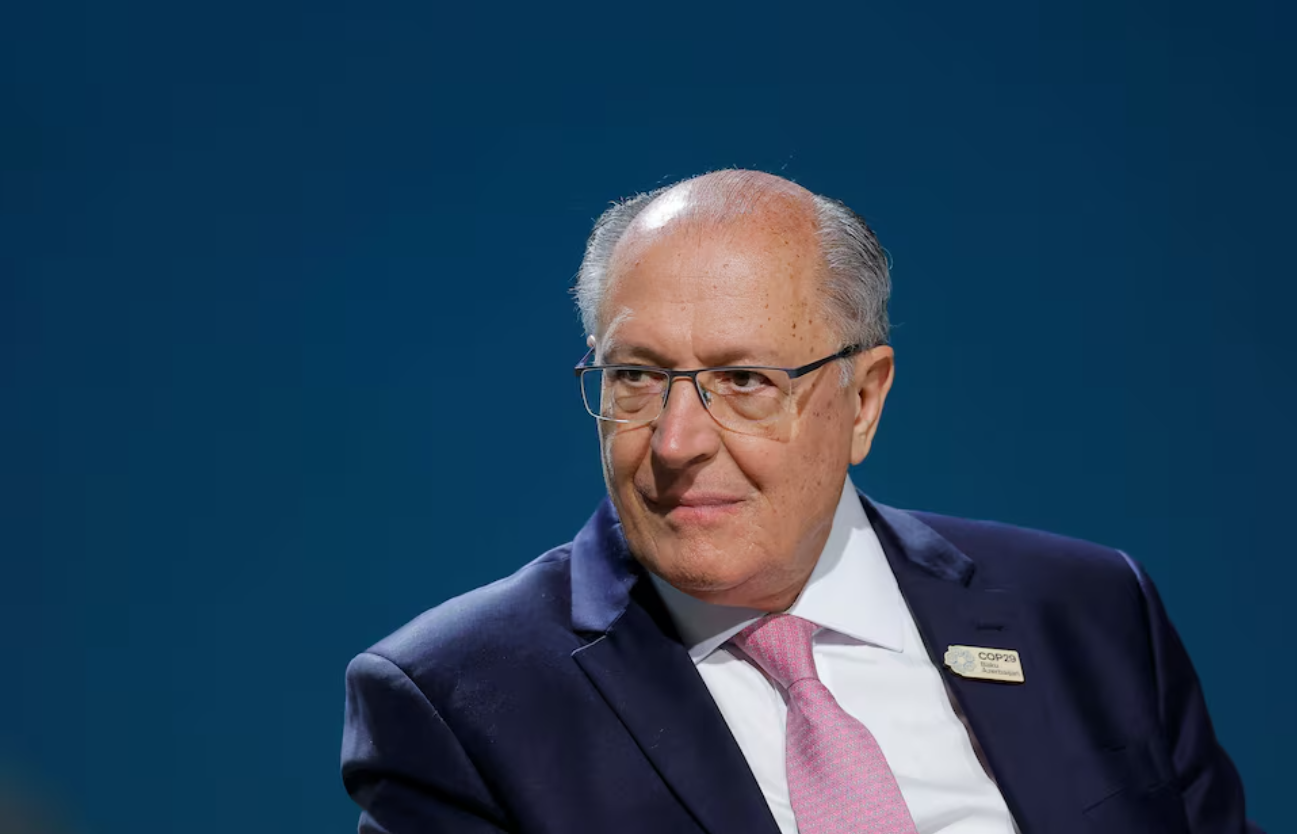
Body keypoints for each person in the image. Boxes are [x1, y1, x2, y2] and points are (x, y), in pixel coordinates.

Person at [340, 170, 1262, 833]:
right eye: (636, 378)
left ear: (863, 401)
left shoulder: (1087, 608)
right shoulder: (456, 700)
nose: (675, 442)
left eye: (743, 380)